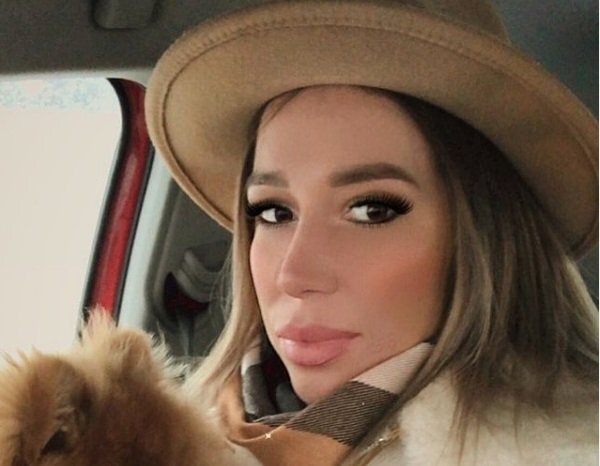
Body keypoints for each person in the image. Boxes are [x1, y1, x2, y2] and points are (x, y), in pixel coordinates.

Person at [145, 1, 598, 464]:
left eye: (371, 211)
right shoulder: (159, 435)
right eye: (275, 212)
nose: (293, 275)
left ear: (483, 240)